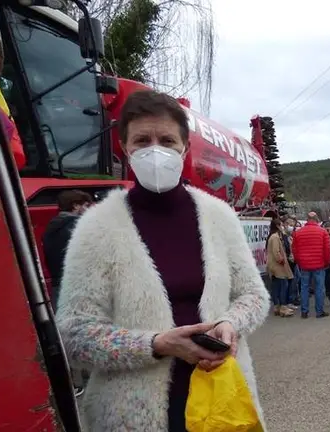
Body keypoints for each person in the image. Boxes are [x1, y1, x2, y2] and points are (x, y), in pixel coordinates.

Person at [55, 90, 270, 431]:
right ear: (125, 148)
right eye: (142, 140)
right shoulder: (96, 227)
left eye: (167, 140)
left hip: (222, 400)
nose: (155, 150)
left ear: (184, 148)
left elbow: (254, 296)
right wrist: (155, 344)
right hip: (131, 413)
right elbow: (74, 335)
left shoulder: (219, 216)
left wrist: (230, 324)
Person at [42, 189, 93, 311]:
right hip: (77, 287)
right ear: (75, 206)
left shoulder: (52, 226)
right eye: (86, 206)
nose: (89, 210)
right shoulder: (77, 226)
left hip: (58, 285)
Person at [293, 212, 330, 318]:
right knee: (319, 288)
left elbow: (295, 250)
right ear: (316, 219)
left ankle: (304, 312)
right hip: (319, 265)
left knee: (304, 288)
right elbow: (327, 249)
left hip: (304, 265)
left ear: (307, 219)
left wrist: (299, 261)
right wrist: (327, 262)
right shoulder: (323, 232)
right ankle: (319, 312)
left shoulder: (298, 232)